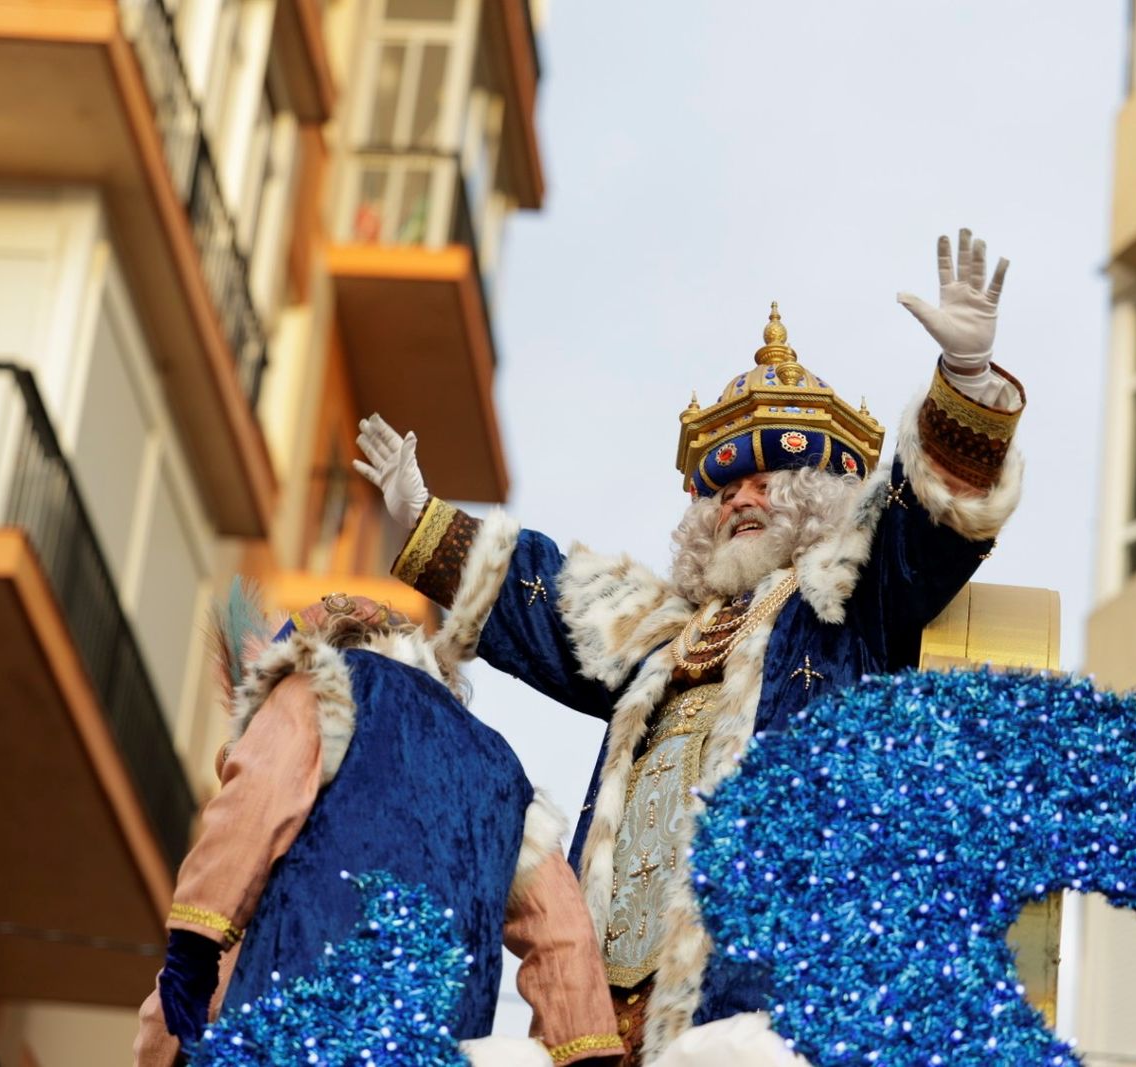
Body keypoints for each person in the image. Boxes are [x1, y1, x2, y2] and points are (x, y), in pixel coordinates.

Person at [355, 231, 1026, 1065]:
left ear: (815, 495)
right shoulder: (659, 629)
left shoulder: (846, 598)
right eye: (723, 485)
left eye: (764, 479)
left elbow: (923, 524)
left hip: (763, 991)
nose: (739, 498)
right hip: (609, 1001)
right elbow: (546, 594)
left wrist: (966, 382)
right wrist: (422, 514)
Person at [132, 592, 623, 1067]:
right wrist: (579, 1046)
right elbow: (564, 936)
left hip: (292, 1029)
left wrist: (191, 950)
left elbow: (248, 812)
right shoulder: (501, 768)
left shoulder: (321, 683)